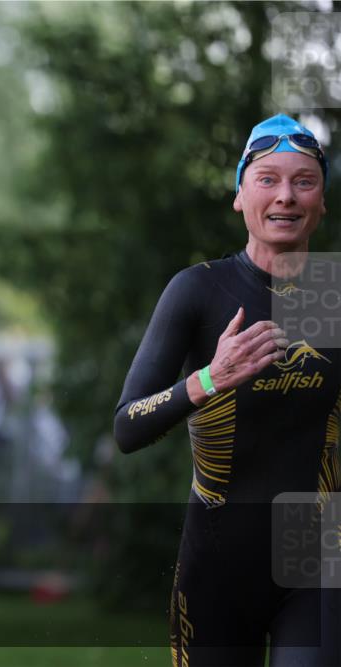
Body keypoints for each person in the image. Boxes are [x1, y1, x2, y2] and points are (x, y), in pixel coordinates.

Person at [114, 114, 339, 666]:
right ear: (240, 196)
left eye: (303, 181)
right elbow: (127, 425)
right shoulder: (199, 289)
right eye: (267, 179)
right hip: (217, 562)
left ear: (322, 201)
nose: (285, 196)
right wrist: (211, 378)